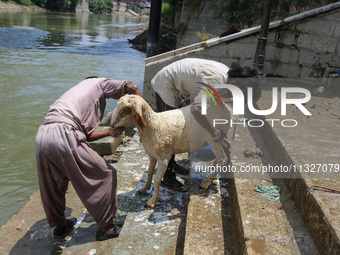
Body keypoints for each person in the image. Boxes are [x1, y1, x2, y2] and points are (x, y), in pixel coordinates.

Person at [35, 77, 142, 241]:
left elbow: (82, 135)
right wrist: (143, 114)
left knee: (55, 184)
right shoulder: (99, 83)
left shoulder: (74, 95)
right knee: (105, 173)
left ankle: (60, 226)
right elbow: (130, 87)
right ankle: (106, 227)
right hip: (63, 134)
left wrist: (108, 132)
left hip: (43, 135)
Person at [151, 58, 259, 192]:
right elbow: (196, 109)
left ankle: (172, 163)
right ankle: (167, 177)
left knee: (183, 126)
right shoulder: (214, 81)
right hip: (168, 84)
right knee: (169, 131)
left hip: (179, 85)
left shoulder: (226, 76)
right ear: (233, 83)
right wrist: (214, 132)